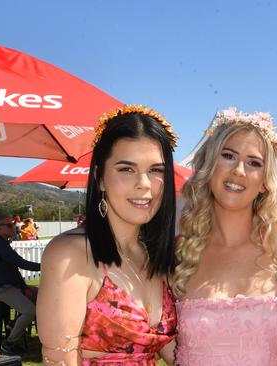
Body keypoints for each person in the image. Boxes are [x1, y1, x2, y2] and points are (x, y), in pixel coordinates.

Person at [172, 108, 277, 365]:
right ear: (209, 166)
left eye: (254, 162)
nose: (239, 171)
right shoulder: (178, 254)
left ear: (266, 181)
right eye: (228, 156)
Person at [37, 105, 179, 365]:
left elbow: (169, 348)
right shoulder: (71, 254)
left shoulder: (155, 255)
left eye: (156, 170)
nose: (144, 184)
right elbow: (59, 359)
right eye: (127, 169)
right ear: (100, 178)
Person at [0, 213, 41, 355]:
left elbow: (14, 269)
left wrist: (23, 287)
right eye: (9, 225)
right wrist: (45, 265)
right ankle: (9, 344)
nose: (13, 227)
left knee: (41, 295)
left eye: (13, 224)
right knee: (30, 311)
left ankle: (13, 324)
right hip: (0, 289)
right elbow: (21, 263)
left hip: (9, 286)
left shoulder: (2, 244)